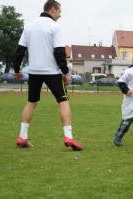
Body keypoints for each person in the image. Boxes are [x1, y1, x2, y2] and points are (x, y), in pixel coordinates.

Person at [13, 0, 82, 150]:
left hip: (34, 72)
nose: (60, 15)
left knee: (31, 102)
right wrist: (66, 73)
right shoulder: (55, 27)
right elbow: (59, 52)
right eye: (59, 12)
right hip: (52, 72)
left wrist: (17, 70)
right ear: (52, 10)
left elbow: (20, 50)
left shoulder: (29, 26)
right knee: (63, 101)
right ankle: (68, 136)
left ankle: (22, 136)